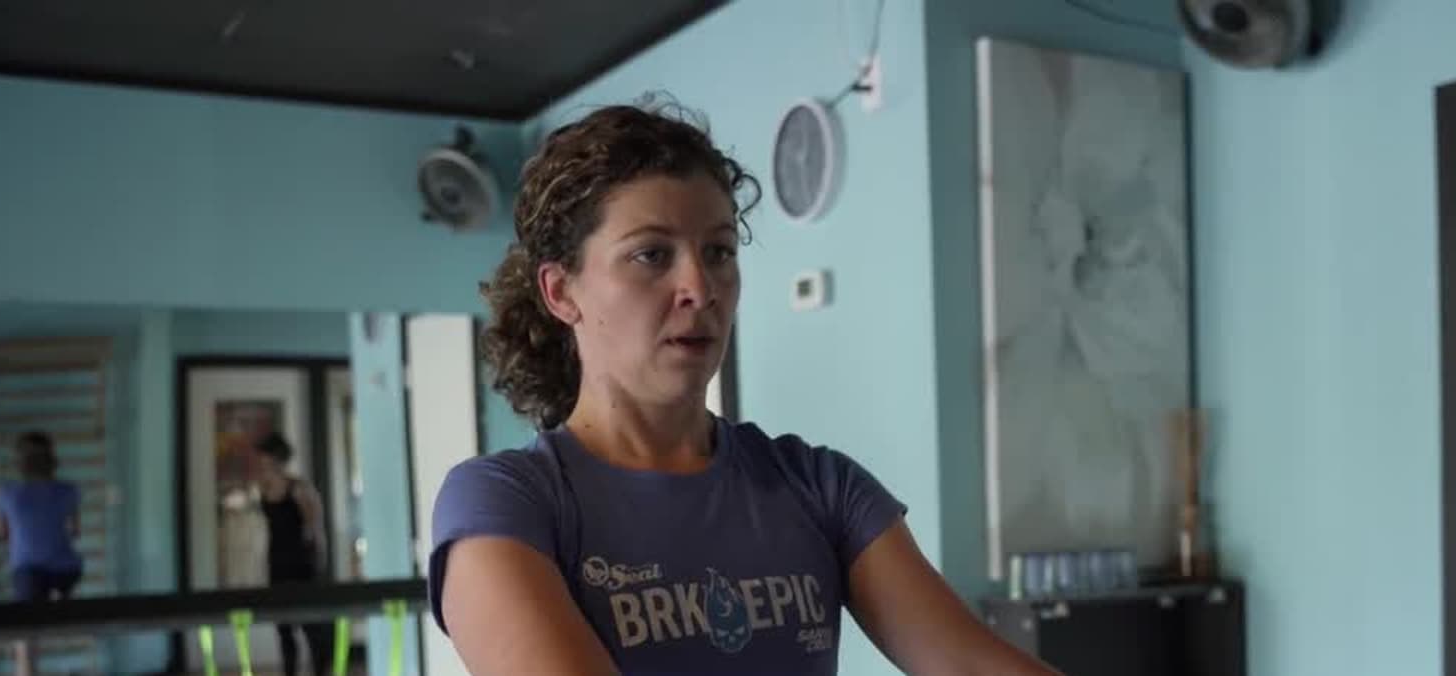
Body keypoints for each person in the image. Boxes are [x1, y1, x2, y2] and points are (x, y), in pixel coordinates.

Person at [430, 98, 1061, 675]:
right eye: (651, 255)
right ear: (561, 291)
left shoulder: (819, 487)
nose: (699, 289)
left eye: (719, 252)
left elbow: (974, 667)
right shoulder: (505, 505)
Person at [252, 433, 334, 676]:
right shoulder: (263, 487)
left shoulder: (299, 487)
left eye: (266, 456)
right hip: (277, 561)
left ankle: (321, 671)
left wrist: (319, 563)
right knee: (283, 627)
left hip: (301, 563)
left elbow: (315, 527)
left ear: (277, 457)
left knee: (310, 626)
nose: (262, 461)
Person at [0, 430, 83, 602]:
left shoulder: (5, 494)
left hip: (28, 570)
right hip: (65, 568)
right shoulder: (68, 491)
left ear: (20, 461)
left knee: (30, 615)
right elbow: (74, 530)